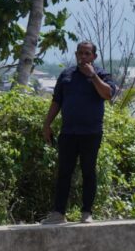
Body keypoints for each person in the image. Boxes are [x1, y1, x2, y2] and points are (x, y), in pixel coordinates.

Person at [41, 41, 117, 225]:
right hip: (68, 132)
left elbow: (108, 94)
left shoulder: (102, 74)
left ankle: (87, 212)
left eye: (87, 53)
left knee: (88, 172)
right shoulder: (66, 75)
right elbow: (56, 101)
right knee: (64, 172)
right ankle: (59, 213)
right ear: (76, 55)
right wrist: (47, 124)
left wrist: (93, 76)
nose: (83, 57)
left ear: (94, 57)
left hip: (91, 133)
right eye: (80, 53)